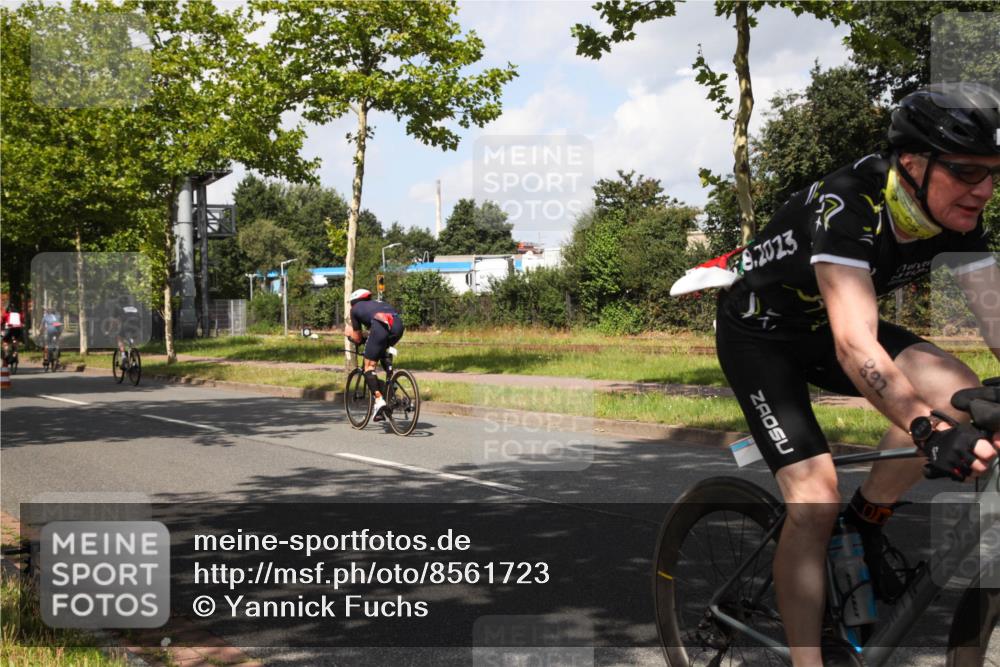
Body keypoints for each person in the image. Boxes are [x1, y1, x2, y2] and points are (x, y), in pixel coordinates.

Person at [713, 82, 1000, 666]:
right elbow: (855, 346)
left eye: (994, 174)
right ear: (913, 164)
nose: (984, 190)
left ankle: (867, 519)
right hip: (762, 335)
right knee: (815, 498)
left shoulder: (958, 218)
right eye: (968, 171)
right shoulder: (850, 204)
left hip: (828, 327)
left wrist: (946, 415)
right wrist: (928, 431)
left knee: (959, 391)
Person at [345, 288, 404, 421]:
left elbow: (358, 338)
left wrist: (350, 335)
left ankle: (379, 401)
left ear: (354, 301)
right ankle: (390, 383)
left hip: (380, 326)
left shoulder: (355, 309)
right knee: (381, 348)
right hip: (398, 326)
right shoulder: (379, 303)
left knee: (369, 366)